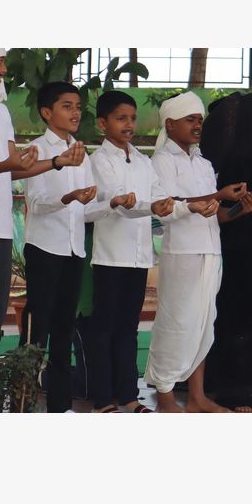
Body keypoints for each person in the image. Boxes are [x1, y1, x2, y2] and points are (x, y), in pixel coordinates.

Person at [0, 49, 85, 354]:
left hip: (0, 228)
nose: (4, 69)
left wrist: (58, 161)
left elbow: (14, 164)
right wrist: (9, 165)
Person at [144, 92, 252, 413]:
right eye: (190, 120)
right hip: (181, 252)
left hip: (210, 250)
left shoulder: (205, 164)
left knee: (203, 325)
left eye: (199, 120)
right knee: (176, 322)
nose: (197, 126)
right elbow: (168, 206)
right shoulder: (162, 161)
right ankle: (165, 394)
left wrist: (239, 209)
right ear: (170, 124)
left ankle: (197, 396)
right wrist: (217, 193)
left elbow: (215, 212)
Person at [22, 81, 129, 412]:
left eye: (78, 107)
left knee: (64, 330)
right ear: (46, 112)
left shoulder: (81, 155)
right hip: (44, 248)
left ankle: (58, 406)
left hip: (72, 251)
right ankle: (24, 401)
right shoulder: (37, 149)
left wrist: (112, 203)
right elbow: (36, 203)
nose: (75, 112)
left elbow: (85, 210)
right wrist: (68, 197)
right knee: (38, 329)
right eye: (67, 106)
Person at [86, 90, 175, 413]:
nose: (128, 124)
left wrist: (164, 205)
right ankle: (102, 398)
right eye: (121, 118)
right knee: (105, 330)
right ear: (102, 123)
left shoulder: (142, 160)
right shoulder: (97, 161)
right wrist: (147, 205)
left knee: (128, 329)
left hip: (138, 258)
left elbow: (157, 195)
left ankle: (129, 396)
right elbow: (117, 205)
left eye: (132, 118)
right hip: (110, 257)